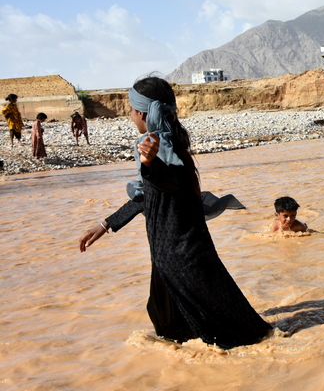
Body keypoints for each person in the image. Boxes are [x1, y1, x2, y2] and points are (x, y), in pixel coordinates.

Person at [78, 76, 271, 349]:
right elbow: (148, 196)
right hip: (172, 247)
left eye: (132, 111)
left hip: (177, 251)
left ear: (142, 113)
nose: (130, 116)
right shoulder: (169, 144)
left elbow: (167, 181)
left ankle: (220, 357)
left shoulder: (160, 149)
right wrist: (106, 223)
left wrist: (150, 164)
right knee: (182, 313)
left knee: (209, 318)